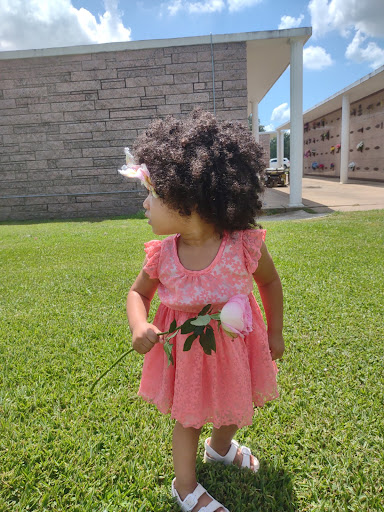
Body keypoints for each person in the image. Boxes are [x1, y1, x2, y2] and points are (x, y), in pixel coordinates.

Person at [122, 109, 284, 512]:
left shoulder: (244, 244)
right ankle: (185, 485)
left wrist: (276, 332)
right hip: (187, 357)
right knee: (189, 416)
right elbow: (137, 293)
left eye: (153, 194)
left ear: (188, 200)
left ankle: (220, 447)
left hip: (235, 347)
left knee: (235, 401)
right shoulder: (162, 255)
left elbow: (269, 282)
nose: (145, 203)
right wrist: (139, 324)